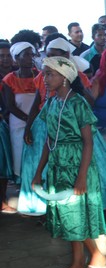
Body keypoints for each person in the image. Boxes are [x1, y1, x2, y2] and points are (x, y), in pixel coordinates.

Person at [31, 56, 106, 268]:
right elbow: (49, 140)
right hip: (58, 163)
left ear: (65, 77)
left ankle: (96, 256)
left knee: (74, 214)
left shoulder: (78, 103)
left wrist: (82, 176)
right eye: (44, 73)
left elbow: (88, 142)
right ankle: (77, 263)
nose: (44, 78)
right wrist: (39, 172)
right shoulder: (51, 102)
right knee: (68, 215)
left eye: (49, 74)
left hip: (77, 164)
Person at [2, 42, 37, 181]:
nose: (30, 58)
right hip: (18, 122)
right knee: (19, 150)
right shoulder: (9, 79)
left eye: (32, 54)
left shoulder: (40, 76)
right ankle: (22, 181)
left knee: (36, 151)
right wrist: (28, 119)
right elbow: (10, 105)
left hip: (37, 120)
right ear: (17, 58)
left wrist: (34, 119)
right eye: (26, 55)